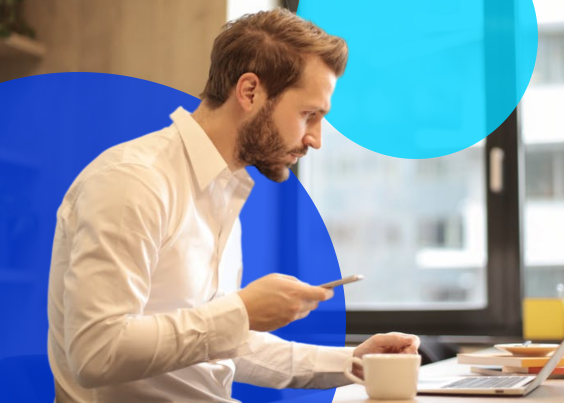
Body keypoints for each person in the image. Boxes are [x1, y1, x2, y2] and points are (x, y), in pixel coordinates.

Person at [47, 8, 420, 403]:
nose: (316, 139)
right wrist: (240, 312)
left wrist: (354, 363)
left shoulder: (220, 191)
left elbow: (216, 344)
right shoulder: (133, 181)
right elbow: (96, 353)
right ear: (249, 92)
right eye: (308, 115)